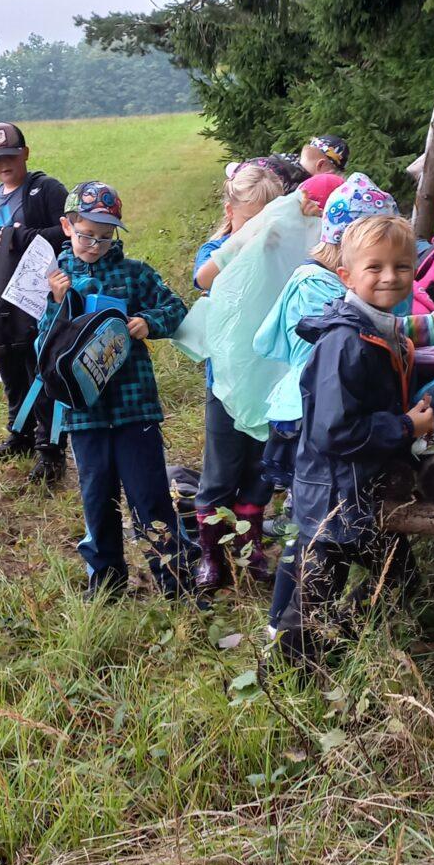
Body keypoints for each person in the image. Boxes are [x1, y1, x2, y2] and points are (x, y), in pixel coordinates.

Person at [268, 215, 434, 665]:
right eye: (375, 267)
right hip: (334, 496)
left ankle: (341, 650)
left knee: (395, 578)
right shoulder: (345, 342)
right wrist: (406, 427)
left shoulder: (376, 325)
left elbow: (399, 346)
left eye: (402, 267)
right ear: (346, 275)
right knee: (316, 600)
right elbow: (333, 429)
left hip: (355, 489)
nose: (390, 277)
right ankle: (287, 679)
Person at [43, 181, 191, 601]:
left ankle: (174, 579)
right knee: (96, 496)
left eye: (106, 237)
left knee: (150, 496)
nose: (95, 244)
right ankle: (106, 582)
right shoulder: (56, 278)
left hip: (134, 407)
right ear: (67, 226)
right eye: (87, 234)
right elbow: (42, 346)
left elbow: (174, 307)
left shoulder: (134, 274)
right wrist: (57, 303)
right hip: (84, 411)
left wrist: (148, 322)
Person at [254, 172, 402, 501]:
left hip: (328, 408)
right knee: (315, 494)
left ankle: (301, 535)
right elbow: (340, 351)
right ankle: (299, 545)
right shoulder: (314, 286)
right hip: (309, 411)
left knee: (319, 492)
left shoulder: (342, 284)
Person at [192, 162, 286, 591]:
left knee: (260, 468)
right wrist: (245, 239)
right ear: (231, 212)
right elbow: (203, 278)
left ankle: (250, 550)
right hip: (227, 382)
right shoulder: (216, 249)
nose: (260, 231)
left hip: (271, 380)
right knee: (220, 468)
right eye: (252, 220)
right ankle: (211, 553)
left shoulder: (283, 251)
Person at [0, 121, 69, 485]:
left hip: (39, 297)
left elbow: (68, 231)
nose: (3, 164)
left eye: (10, 155)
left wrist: (26, 236)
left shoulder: (45, 190)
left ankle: (51, 449)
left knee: (40, 371)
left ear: (25, 153)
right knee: (11, 368)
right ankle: (20, 434)